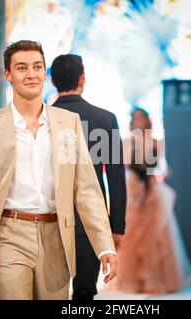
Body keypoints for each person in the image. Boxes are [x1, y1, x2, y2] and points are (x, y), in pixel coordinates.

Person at [0, 40, 117, 300]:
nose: (31, 74)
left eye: (37, 67)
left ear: (45, 73)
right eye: (21, 68)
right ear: (8, 75)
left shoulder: (68, 123)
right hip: (9, 236)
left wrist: (104, 246)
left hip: (57, 237)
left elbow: (86, 190)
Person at [51, 54, 126, 300]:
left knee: (50, 292)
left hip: (48, 220)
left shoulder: (42, 120)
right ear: (82, 79)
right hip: (90, 221)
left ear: (52, 81)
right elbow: (115, 178)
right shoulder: (105, 119)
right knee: (84, 294)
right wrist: (116, 227)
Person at [117, 108, 186, 294]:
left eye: (142, 117)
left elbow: (162, 167)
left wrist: (150, 170)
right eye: (135, 118)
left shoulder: (156, 142)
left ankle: (154, 279)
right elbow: (123, 164)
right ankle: (133, 280)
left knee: (155, 232)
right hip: (133, 189)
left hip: (151, 188)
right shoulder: (126, 142)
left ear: (147, 120)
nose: (139, 121)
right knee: (132, 232)